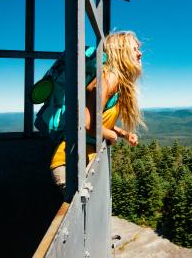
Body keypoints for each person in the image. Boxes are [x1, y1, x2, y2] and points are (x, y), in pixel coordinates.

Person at [50, 31, 145, 191]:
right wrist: (112, 136)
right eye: (134, 49)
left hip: (78, 161)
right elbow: (87, 124)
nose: (140, 53)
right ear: (121, 52)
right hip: (68, 164)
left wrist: (124, 134)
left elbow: (97, 119)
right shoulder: (110, 78)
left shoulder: (115, 80)